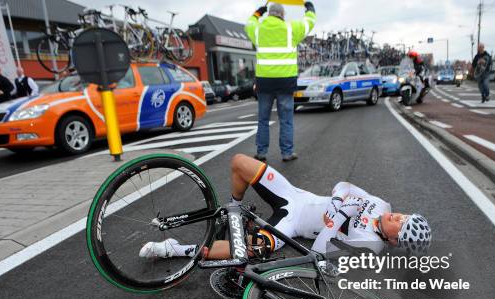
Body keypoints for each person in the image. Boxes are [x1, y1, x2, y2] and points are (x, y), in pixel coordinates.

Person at [140, 154, 432, 262]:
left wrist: (339, 216)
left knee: (246, 251)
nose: (398, 216)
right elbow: (344, 187)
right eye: (406, 216)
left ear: (394, 240)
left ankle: (174, 249)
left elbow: (318, 251)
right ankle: (235, 208)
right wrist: (342, 201)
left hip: (291, 227)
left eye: (401, 224)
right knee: (240, 163)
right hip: (296, 195)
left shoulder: (370, 245)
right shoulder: (383, 205)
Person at [244, 2, 316, 162]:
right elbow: (309, 23)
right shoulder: (291, 29)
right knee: (286, 120)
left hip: (265, 83)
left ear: (269, 14)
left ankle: (261, 153)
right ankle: (287, 153)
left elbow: (249, 23)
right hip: (285, 82)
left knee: (263, 119)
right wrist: (309, 9)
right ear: (282, 15)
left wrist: (258, 13)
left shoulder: (258, 30)